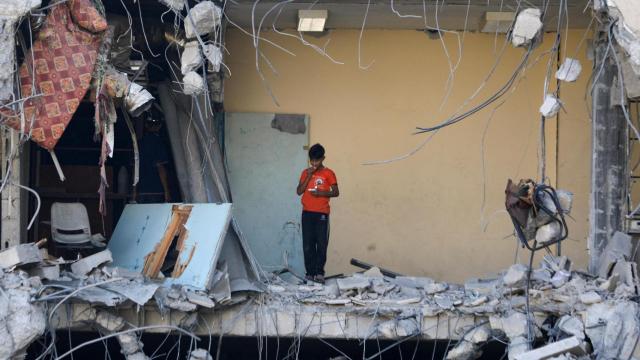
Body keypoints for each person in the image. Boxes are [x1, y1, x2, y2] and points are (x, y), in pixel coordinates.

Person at [296, 143, 339, 284]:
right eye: (312, 160)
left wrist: (321, 193)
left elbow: (336, 192)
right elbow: (299, 191)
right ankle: (310, 273)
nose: (314, 163)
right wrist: (308, 176)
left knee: (321, 244)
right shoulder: (305, 172)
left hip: (322, 214)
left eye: (317, 160)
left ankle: (319, 273)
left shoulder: (329, 173)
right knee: (308, 245)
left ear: (323, 158)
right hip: (307, 213)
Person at [135, 115, 171, 203]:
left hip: (141, 190)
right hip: (156, 190)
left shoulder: (139, 143)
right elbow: (160, 168)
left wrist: (134, 191)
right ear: (160, 126)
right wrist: (166, 191)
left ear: (146, 125)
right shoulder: (159, 143)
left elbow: (135, 170)